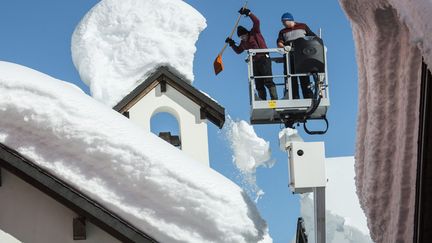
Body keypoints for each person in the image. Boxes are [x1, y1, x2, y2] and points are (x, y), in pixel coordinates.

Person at [225, 7, 278, 100]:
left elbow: (257, 21)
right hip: (254, 63)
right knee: (258, 83)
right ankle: (263, 101)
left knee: (268, 80)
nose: (243, 38)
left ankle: (274, 99)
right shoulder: (243, 43)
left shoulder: (255, 33)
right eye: (240, 37)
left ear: (247, 33)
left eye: (244, 35)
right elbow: (238, 51)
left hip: (264, 59)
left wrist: (249, 13)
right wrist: (232, 44)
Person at [277, 12, 316, 99]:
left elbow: (313, 37)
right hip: (289, 57)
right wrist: (284, 47)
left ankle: (308, 97)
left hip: (302, 56)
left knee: (304, 77)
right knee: (291, 78)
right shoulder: (282, 32)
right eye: (282, 22)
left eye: (284, 22)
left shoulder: (303, 26)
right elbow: (279, 43)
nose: (283, 24)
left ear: (289, 20)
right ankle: (294, 97)